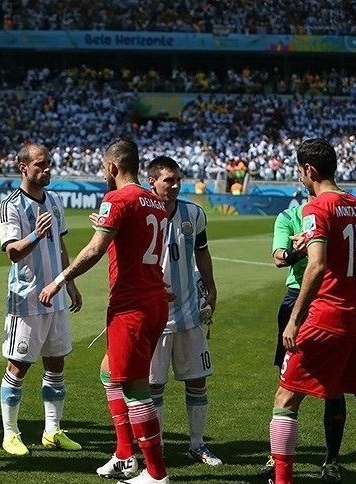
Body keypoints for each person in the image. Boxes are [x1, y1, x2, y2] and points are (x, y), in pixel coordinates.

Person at [267, 138, 356, 484]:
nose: (301, 177)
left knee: (285, 399)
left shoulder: (316, 208)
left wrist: (296, 318)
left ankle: (282, 479)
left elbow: (316, 266)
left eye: (300, 172)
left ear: (309, 170)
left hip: (326, 317)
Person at [40, 138, 170, 484]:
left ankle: (157, 475)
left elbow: (96, 250)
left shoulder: (118, 197)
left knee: (135, 388)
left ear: (112, 167)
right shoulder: (155, 202)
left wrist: (60, 279)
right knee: (108, 370)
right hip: (154, 300)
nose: (104, 175)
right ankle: (125, 454)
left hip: (133, 305)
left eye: (103, 169)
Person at [0, 142, 83, 456]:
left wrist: (69, 281)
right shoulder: (11, 206)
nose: (47, 170)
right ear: (24, 167)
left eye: (49, 164)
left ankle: (52, 431)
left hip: (56, 298)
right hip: (27, 300)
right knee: (18, 367)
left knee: (56, 365)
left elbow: (60, 246)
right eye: (41, 165)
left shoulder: (55, 199)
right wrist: (34, 233)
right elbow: (12, 252)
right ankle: (10, 433)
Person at [259, 196, 347, 482]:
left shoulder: (337, 212)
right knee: (285, 382)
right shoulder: (288, 217)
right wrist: (300, 250)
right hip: (297, 298)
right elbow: (278, 258)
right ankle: (278, 458)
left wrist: (313, 243)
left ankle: (331, 461)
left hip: (330, 298)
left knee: (334, 385)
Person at [142, 156, 221, 466]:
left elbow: (202, 252)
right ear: (152, 182)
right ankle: (157, 446)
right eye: (168, 180)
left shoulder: (194, 214)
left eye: (177, 180)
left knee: (197, 380)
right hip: (155, 316)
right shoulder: (142, 214)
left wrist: (211, 287)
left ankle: (197, 444)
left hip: (189, 312)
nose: (174, 186)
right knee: (153, 385)